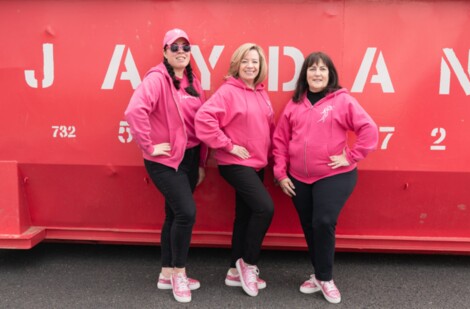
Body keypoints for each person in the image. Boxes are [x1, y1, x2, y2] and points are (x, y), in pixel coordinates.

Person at [272, 52, 379, 304]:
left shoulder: (342, 101)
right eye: (312, 69)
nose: (317, 74)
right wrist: (280, 173)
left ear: (330, 74)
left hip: (334, 175)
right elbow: (279, 141)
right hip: (298, 178)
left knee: (323, 221)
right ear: (305, 74)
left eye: (322, 69)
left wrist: (352, 156)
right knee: (310, 226)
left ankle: (326, 278)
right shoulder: (294, 104)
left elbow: (369, 130)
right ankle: (318, 274)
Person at [124, 28, 207, 303]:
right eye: (175, 47)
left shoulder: (193, 81)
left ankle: (166, 273)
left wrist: (202, 162)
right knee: (186, 213)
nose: (181, 52)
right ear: (165, 52)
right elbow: (135, 111)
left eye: (185, 47)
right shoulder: (157, 79)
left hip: (191, 158)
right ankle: (180, 275)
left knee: (173, 215)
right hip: (164, 161)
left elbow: (201, 124)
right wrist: (149, 146)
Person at [194, 43, 274, 297]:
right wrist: (227, 145)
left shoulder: (261, 92)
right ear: (237, 65)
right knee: (264, 208)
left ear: (261, 66)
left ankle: (233, 269)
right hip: (236, 164)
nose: (250, 66)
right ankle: (248, 264)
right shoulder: (229, 91)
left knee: (246, 214)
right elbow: (203, 119)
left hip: (257, 163)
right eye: (245, 61)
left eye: (255, 61)